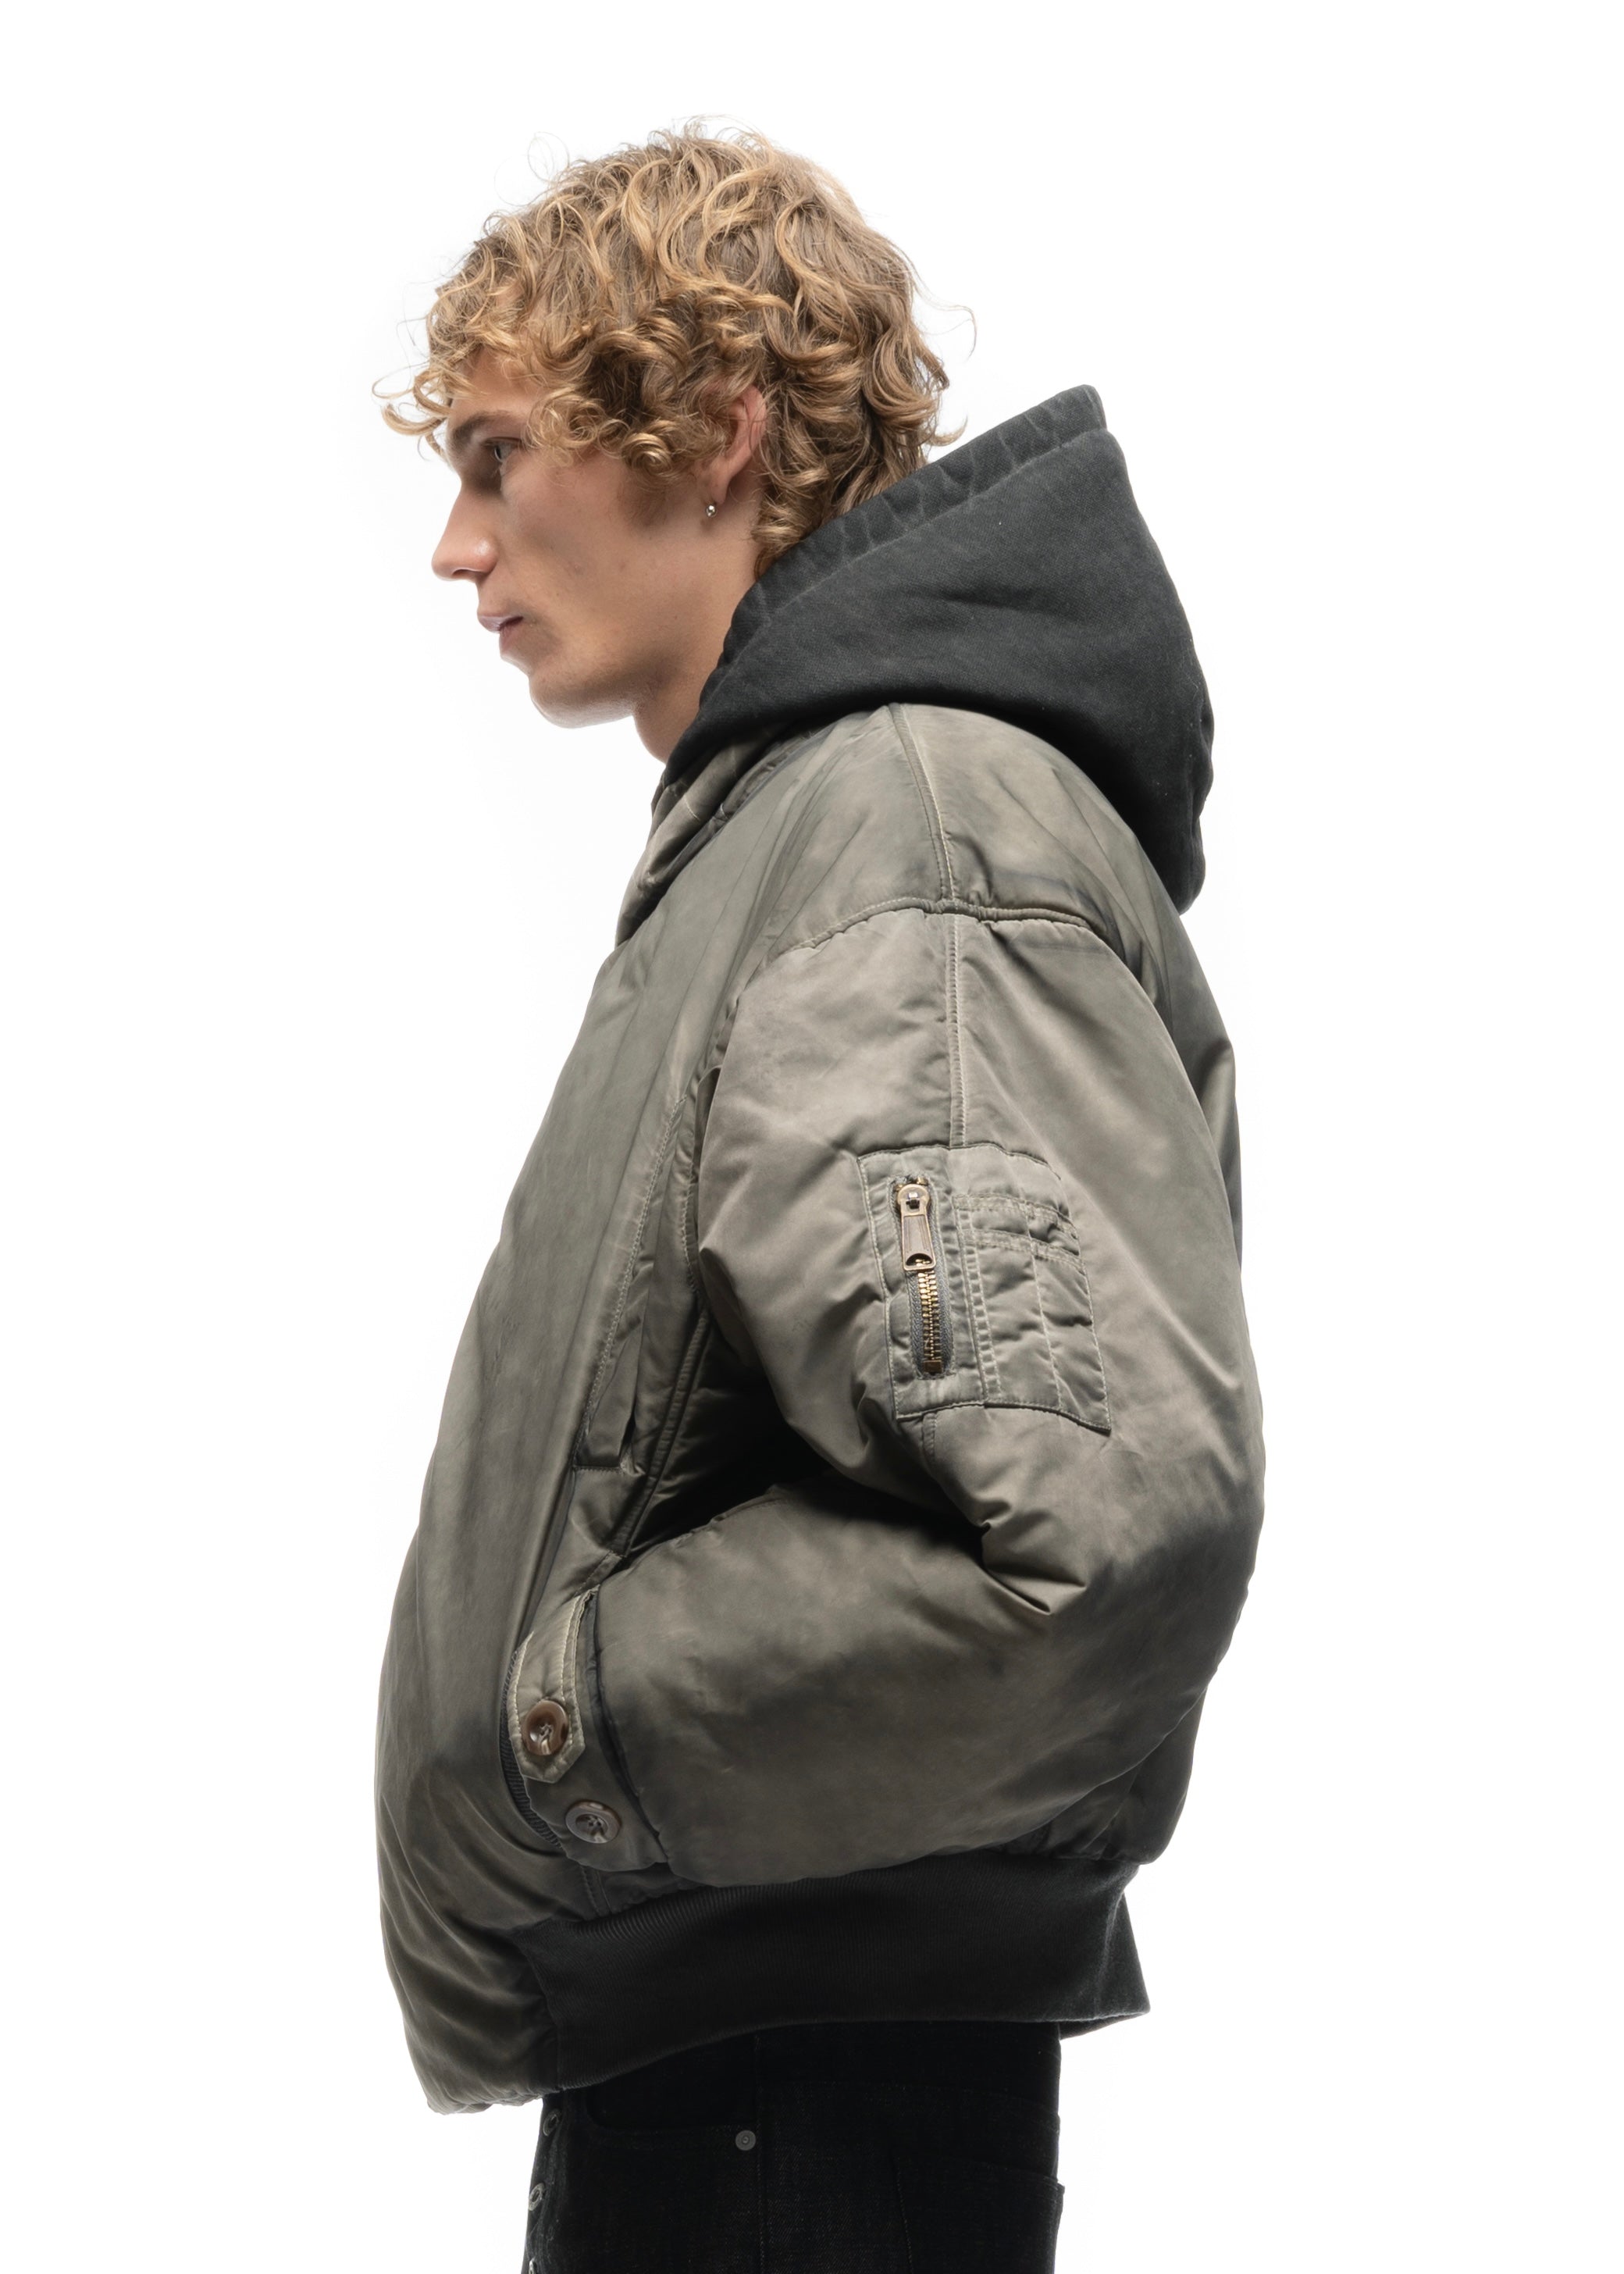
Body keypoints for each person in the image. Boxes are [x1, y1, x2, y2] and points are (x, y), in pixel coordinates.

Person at [376, 126, 1265, 2274]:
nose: (457, 544)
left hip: (803, 2130)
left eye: (500, 459)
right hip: (751, 2090)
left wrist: (563, 1731)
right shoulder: (809, 822)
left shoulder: (907, 826)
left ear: (717, 432)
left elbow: (1085, 1544)